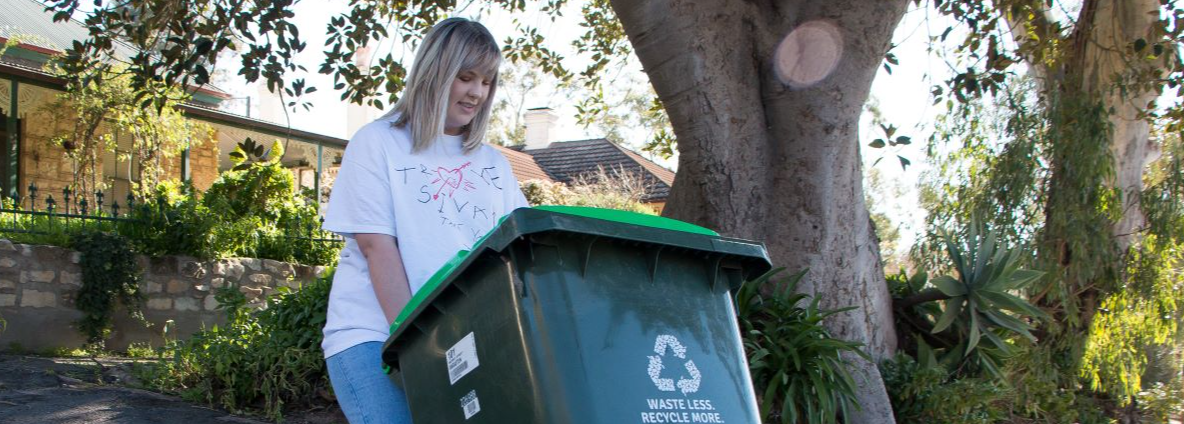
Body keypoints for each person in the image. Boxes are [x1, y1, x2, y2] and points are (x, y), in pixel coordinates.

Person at [320, 17, 528, 424]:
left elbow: (515, 255)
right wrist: (415, 347)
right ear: (435, 72)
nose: (476, 93)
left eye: (486, 82)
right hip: (376, 335)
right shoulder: (378, 142)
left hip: (462, 343)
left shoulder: (493, 165)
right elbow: (376, 247)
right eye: (465, 77)